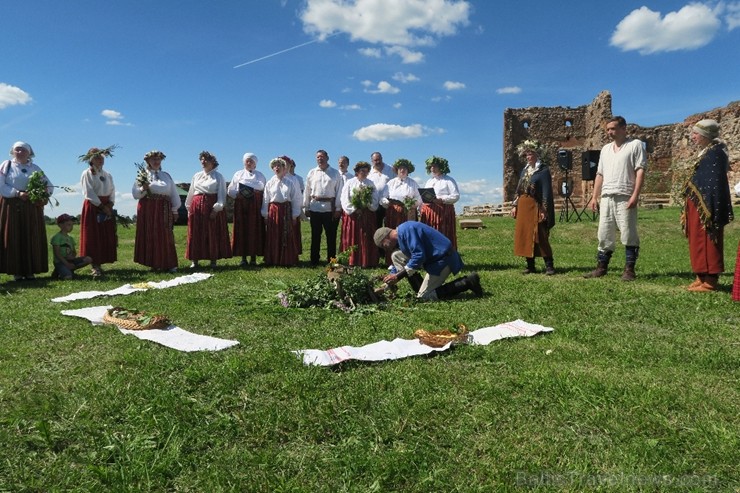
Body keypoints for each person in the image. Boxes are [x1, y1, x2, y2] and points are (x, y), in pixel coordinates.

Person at [583, 116, 647, 281]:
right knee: (604, 233)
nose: (610, 132)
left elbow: (640, 170)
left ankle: (629, 270)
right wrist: (594, 197)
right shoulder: (605, 149)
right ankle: (601, 267)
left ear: (623, 128)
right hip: (606, 196)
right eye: (608, 129)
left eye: (613, 129)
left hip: (625, 195)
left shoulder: (635, 145)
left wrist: (635, 195)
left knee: (628, 232)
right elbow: (599, 174)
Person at [681, 119, 734, 292]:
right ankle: (700, 275)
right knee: (696, 238)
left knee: (708, 239)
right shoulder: (706, 152)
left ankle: (711, 280)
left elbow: (715, 183)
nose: (693, 136)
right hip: (697, 203)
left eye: (696, 133)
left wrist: (710, 205)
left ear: (705, 135)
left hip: (709, 204)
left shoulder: (716, 153)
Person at [374, 222, 482, 300]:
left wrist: (397, 276)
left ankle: (468, 282)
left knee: (425, 297)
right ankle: (420, 287)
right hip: (434, 260)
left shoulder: (407, 230)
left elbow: (419, 256)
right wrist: (386, 286)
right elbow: (398, 265)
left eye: (383, 246)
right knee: (396, 256)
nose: (386, 249)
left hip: (443, 259)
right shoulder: (402, 235)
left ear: (386, 239)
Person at [0, 141, 52, 280]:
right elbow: (1, 184)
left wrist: (42, 195)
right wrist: (17, 193)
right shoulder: (7, 165)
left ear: (29, 153)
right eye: (17, 149)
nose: (20, 152)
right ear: (12, 151)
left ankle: (30, 270)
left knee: (31, 235)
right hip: (11, 204)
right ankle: (16, 271)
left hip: (31, 205)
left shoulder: (35, 168)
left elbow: (48, 185)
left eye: (23, 150)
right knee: (14, 236)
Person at [511, 140, 556, 275]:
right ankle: (530, 266)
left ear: (536, 154)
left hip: (536, 205)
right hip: (523, 205)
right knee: (525, 234)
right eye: (526, 154)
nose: (528, 156)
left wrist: (544, 209)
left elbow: (546, 191)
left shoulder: (543, 170)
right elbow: (519, 189)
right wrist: (515, 205)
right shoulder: (525, 170)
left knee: (540, 235)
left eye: (530, 154)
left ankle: (549, 266)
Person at [132, 150, 181, 272]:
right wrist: (143, 188)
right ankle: (153, 263)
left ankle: (169, 263)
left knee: (165, 233)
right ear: (148, 161)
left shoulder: (166, 175)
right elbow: (135, 194)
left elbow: (173, 193)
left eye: (158, 159)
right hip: (148, 207)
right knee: (150, 234)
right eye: (153, 159)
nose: (156, 161)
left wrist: (175, 209)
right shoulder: (142, 175)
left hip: (164, 207)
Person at [185, 151, 232, 269]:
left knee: (212, 232)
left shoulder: (218, 176)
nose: (203, 162)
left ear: (212, 162)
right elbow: (191, 193)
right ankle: (195, 261)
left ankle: (213, 260)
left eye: (206, 159)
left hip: (211, 206)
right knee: (196, 232)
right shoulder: (196, 176)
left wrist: (216, 209)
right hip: (196, 206)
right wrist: (189, 208)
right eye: (201, 159)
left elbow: (222, 194)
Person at [79, 145, 118, 277]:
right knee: (93, 236)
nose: (100, 159)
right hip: (94, 206)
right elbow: (88, 192)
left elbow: (112, 190)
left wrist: (110, 204)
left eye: (101, 157)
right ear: (90, 159)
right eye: (96, 157)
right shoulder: (87, 174)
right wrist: (102, 207)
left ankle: (103, 260)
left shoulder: (108, 174)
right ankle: (95, 265)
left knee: (104, 235)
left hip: (106, 205)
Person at [303, 149, 343, 266]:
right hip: (315, 207)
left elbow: (339, 192)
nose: (320, 159)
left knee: (331, 236)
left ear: (327, 158)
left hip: (330, 209)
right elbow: (307, 190)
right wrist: (306, 207)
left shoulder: (335, 173)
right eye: (318, 157)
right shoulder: (312, 173)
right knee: (315, 235)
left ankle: (331, 260)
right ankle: (314, 260)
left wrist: (338, 208)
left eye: (322, 157)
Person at [380, 158, 422, 265]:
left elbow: (419, 199)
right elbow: (383, 198)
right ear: (397, 170)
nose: (402, 170)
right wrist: (387, 202)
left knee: (407, 235)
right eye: (400, 168)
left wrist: (411, 204)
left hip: (407, 213)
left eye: (404, 168)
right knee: (392, 235)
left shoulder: (413, 183)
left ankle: (408, 260)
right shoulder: (390, 183)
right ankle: (391, 261)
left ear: (408, 171)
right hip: (393, 212)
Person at [228, 152, 266, 266]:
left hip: (255, 205)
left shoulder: (260, 175)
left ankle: (253, 257)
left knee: (254, 229)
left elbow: (264, 189)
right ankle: (243, 258)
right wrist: (237, 194)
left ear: (255, 164)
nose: (249, 163)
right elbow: (230, 190)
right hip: (241, 205)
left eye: (251, 161)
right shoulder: (238, 174)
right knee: (242, 229)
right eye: (247, 161)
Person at [262, 157, 302, 266]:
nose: (277, 168)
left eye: (279, 166)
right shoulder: (270, 183)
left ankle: (287, 259)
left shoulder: (289, 183)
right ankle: (273, 259)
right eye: (274, 166)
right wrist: (265, 215)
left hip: (286, 210)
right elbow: (266, 199)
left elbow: (295, 199)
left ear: (284, 168)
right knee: (274, 234)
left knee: (287, 234)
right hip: (273, 210)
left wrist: (294, 215)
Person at [340, 161, 381, 267]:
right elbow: (344, 198)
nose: (364, 173)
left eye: (366, 171)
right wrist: (354, 208)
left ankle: (367, 261)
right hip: (353, 215)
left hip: (367, 213)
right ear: (357, 171)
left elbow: (375, 198)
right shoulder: (350, 182)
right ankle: (351, 260)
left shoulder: (370, 183)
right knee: (352, 237)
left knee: (366, 237)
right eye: (362, 170)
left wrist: (367, 205)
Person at [420, 155, 460, 250]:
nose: (432, 168)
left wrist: (442, 199)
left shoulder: (448, 180)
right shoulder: (429, 181)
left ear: (441, 167)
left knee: (443, 233)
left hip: (443, 211)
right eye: (431, 166)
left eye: (435, 166)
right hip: (430, 211)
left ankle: (446, 256)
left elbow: (456, 196)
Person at [50, 214, 92, 279]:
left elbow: (74, 252)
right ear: (60, 225)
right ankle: (60, 271)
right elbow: (57, 254)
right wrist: (67, 264)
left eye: (72, 225)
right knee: (68, 277)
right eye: (69, 225)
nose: (71, 227)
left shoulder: (70, 238)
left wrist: (72, 257)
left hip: (70, 261)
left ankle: (68, 270)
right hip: (60, 262)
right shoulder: (57, 237)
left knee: (88, 259)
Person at [282, 155, 304, 256]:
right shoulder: (274, 179)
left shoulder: (294, 179)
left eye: (286, 164)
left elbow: (298, 196)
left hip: (290, 208)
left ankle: (291, 254)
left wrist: (296, 213)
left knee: (292, 231)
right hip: (278, 210)